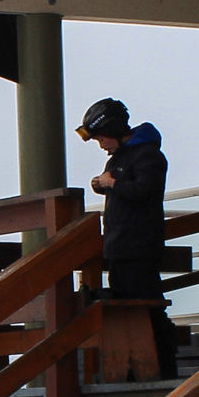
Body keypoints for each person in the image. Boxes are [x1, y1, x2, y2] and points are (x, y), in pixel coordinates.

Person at [79, 97, 177, 366]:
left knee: (146, 306)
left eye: (102, 139)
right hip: (119, 247)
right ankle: (136, 365)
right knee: (128, 308)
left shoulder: (148, 155)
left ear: (112, 131)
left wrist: (114, 182)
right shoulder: (119, 159)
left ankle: (163, 362)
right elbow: (121, 185)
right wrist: (104, 184)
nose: (102, 146)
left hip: (140, 246)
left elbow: (146, 191)